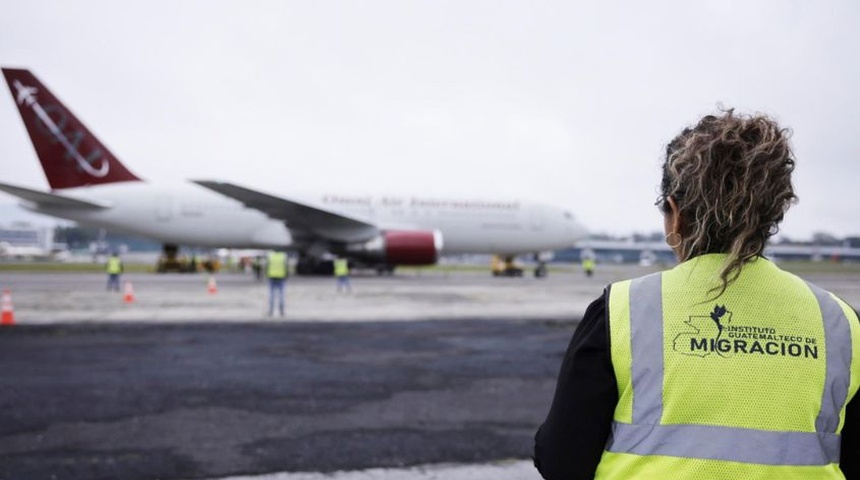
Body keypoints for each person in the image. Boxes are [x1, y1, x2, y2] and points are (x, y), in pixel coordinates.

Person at [534, 109, 859, 479]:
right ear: (772, 214)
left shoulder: (622, 311)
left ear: (674, 214)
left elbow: (561, 460)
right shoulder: (840, 323)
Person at [266, 250, 289, 316]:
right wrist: (286, 275)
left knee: (271, 295)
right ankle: (281, 311)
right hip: (281, 277)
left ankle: (271, 310)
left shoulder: (270, 255)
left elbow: (267, 267)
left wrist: (267, 274)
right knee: (281, 295)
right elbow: (286, 267)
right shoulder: (283, 256)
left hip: (272, 276)